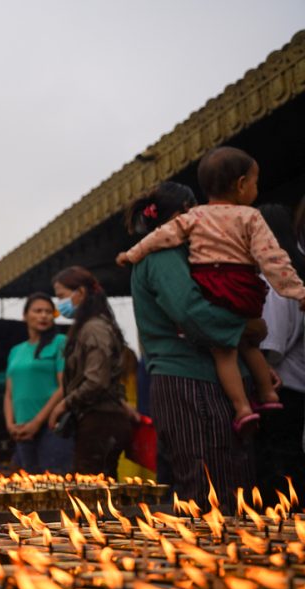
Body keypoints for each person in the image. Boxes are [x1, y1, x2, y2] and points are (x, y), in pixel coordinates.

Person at [117, 147, 305, 434]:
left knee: (226, 352)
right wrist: (294, 294)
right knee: (212, 471)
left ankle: (245, 405)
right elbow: (192, 312)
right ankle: (263, 396)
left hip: (214, 289)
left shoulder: (180, 235)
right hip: (194, 375)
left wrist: (130, 254)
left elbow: (158, 238)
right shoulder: (167, 257)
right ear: (241, 185)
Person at [125, 181, 254, 512]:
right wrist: (244, 327)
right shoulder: (164, 255)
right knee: (211, 489)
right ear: (183, 213)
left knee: (220, 482)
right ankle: (216, 562)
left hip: (196, 380)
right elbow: (191, 314)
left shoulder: (178, 252)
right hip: (190, 382)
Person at [48, 267, 133, 479]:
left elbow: (96, 381)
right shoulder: (89, 326)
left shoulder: (94, 329)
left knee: (91, 495)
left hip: (100, 422)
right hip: (96, 420)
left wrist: (64, 404)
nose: (60, 305)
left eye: (61, 296)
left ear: (81, 293)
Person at [257, 202, 305, 504]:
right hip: (292, 389)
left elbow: (271, 346)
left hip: (280, 390)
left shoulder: (275, 281)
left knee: (279, 476)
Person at [4, 293, 72, 474]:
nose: (44, 316)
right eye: (38, 311)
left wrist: (37, 422)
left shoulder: (60, 342)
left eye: (49, 312)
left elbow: (64, 386)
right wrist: (11, 424)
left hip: (51, 427)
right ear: (25, 315)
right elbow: (9, 393)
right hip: (22, 429)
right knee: (29, 490)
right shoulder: (16, 351)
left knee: (54, 487)